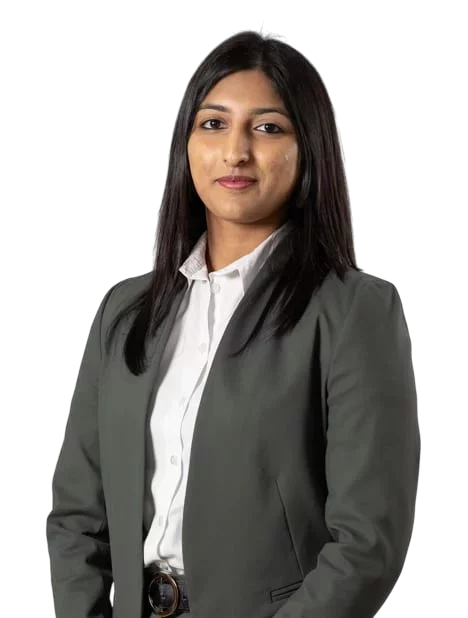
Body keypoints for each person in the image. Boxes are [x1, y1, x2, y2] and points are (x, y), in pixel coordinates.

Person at [47, 32, 420, 618]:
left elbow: (366, 543)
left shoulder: (354, 312)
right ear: (187, 143)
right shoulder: (128, 310)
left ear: (308, 148)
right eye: (213, 124)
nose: (235, 151)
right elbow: (77, 516)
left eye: (268, 127)